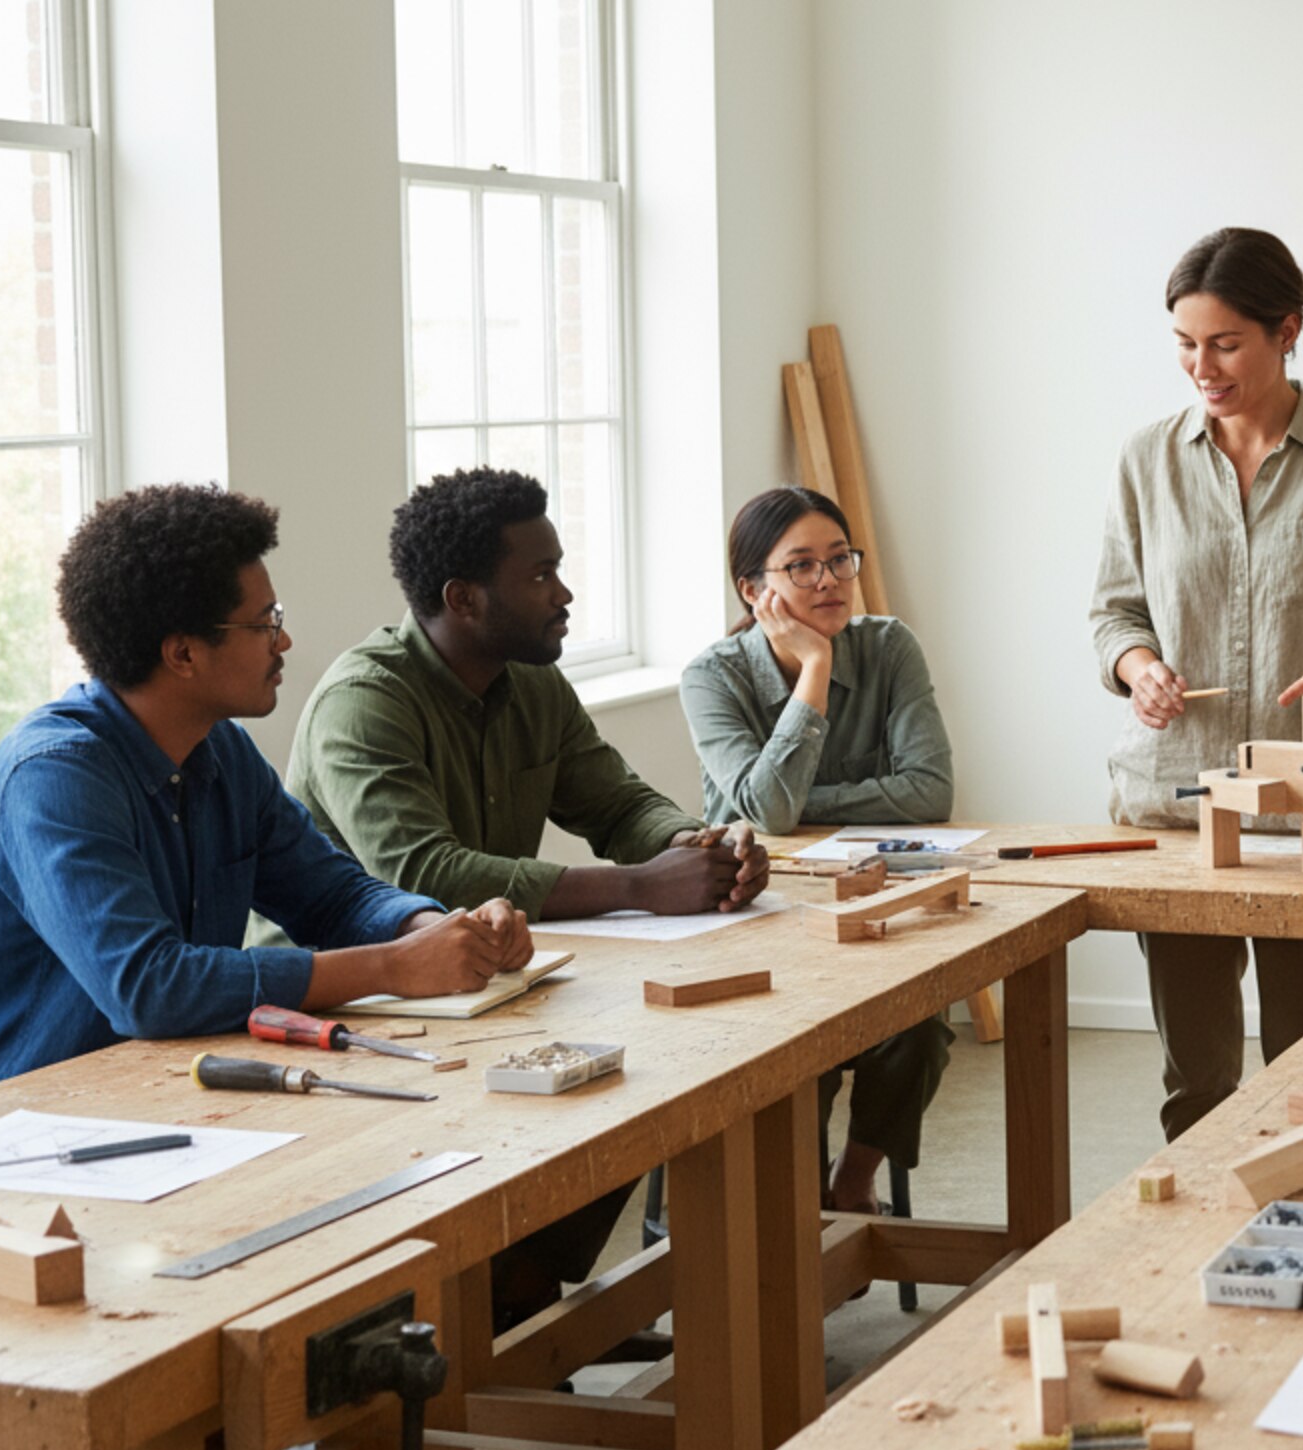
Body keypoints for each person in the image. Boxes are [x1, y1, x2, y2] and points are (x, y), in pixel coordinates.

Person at [283, 467, 770, 1328]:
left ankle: (521, 1306)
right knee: (611, 1080)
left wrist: (696, 846)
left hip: (481, 987)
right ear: (463, 598)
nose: (564, 593)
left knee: (650, 1073)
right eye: (541, 574)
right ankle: (497, 1322)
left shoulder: (532, 680)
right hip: (352, 1010)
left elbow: (616, 802)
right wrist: (641, 886)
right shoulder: (364, 703)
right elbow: (423, 872)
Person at [0, 484, 529, 1080]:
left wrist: (443, 933)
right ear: (183, 654)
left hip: (172, 1089)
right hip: (41, 1113)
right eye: (265, 623)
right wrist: (392, 966)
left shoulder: (222, 748)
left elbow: (332, 897)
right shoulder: (52, 777)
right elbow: (150, 987)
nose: (285, 641)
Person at [1090, 227, 1303, 1139]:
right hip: (1176, 804)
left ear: (1287, 331)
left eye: (1226, 344)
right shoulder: (1145, 460)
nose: (1202, 368)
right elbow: (1114, 615)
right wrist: (1139, 670)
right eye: (1185, 344)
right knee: (1197, 1079)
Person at [681, 485, 953, 1214]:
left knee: (921, 1028)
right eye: (801, 566)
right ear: (753, 589)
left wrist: (799, 806)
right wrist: (814, 671)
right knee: (801, 1048)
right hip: (753, 915)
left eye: (839, 559)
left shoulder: (890, 647)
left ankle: (852, 1181)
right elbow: (768, 814)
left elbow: (930, 792)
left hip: (869, 907)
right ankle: (791, 1209)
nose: (829, 579)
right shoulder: (711, 676)